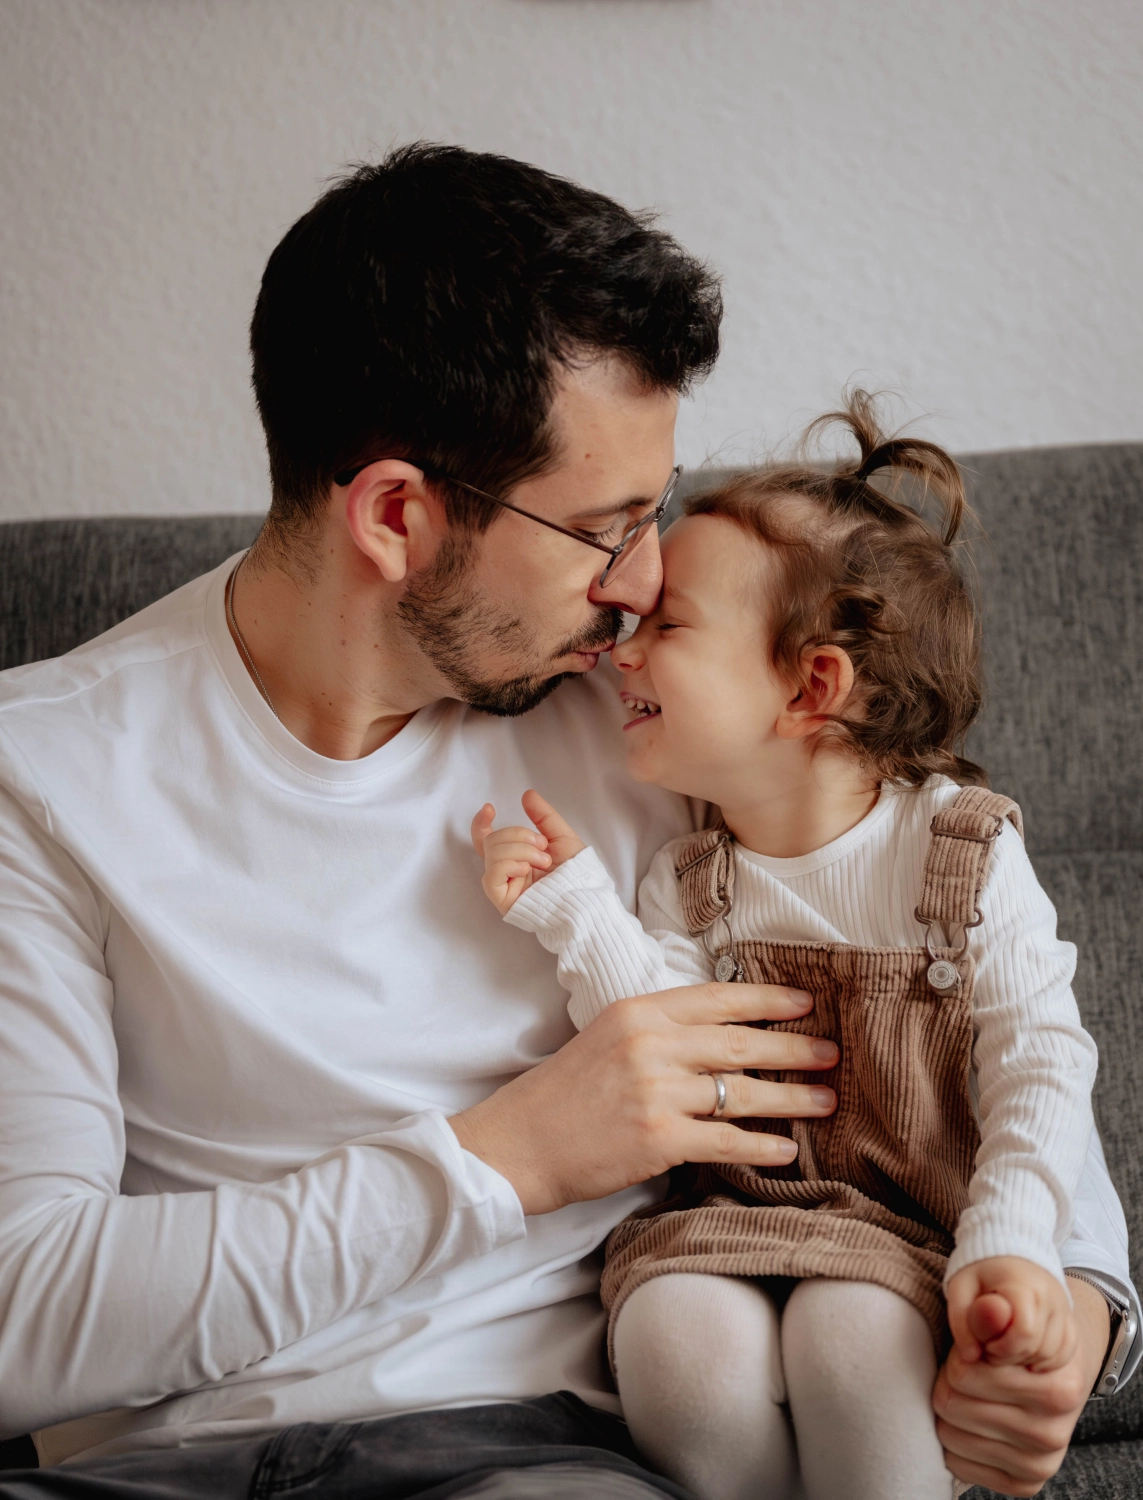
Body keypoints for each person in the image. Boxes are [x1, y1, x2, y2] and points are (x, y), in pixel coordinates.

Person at [0, 145, 1133, 1500]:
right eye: (604, 530)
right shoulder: (42, 777)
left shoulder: (656, 711)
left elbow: (948, 987)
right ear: (397, 516)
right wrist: (518, 1151)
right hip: (155, 1471)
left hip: (527, 1455)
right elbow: (23, 1323)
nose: (644, 586)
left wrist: (1076, 1302)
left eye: (652, 513)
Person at [472, 396, 1099, 1500]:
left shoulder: (960, 854)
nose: (627, 651)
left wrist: (1011, 1239)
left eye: (671, 627)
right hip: (726, 1226)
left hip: (904, 1241)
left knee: (853, 1337)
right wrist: (575, 909)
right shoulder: (691, 878)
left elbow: (1040, 1058)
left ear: (812, 687)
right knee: (670, 1340)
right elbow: (668, 1060)